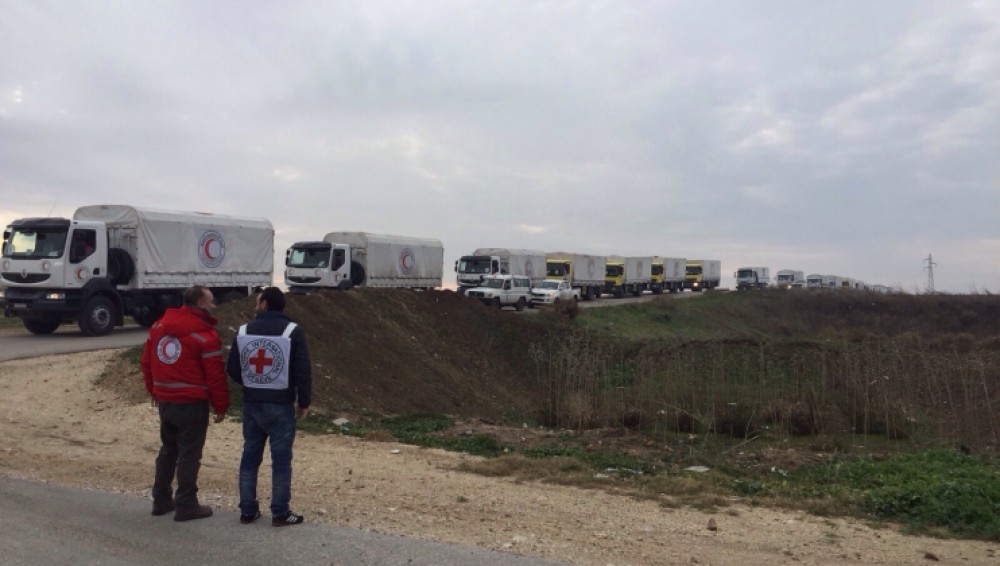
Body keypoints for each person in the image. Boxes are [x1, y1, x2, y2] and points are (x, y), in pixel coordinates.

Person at [140, 285, 230, 521]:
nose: (214, 305)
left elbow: (147, 361)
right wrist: (221, 405)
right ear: (200, 302)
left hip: (166, 401)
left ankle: (160, 500)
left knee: (168, 450)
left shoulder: (158, 327)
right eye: (211, 301)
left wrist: (153, 390)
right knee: (190, 454)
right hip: (192, 403)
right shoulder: (205, 334)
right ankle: (186, 504)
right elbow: (215, 375)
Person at [227, 286, 312, 526]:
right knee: (282, 460)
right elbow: (303, 370)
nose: (255, 306)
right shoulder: (294, 331)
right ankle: (280, 513)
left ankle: (247, 510)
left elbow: (233, 368)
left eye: (257, 301)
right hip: (281, 405)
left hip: (252, 404)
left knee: (250, 456)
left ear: (264, 304)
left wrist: (252, 383)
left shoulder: (243, 331)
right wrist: (303, 402)